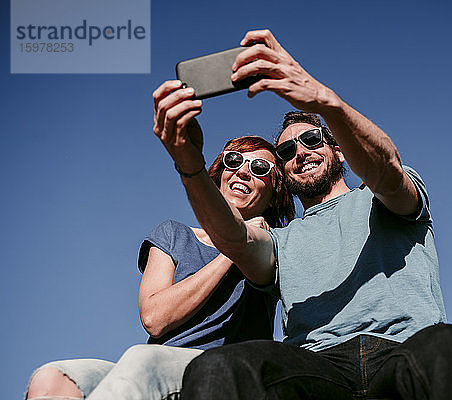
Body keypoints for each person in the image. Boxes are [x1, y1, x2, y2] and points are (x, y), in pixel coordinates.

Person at [153, 29, 452, 399]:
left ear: (339, 151)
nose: (300, 152)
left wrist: (325, 102)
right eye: (286, 152)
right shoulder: (281, 240)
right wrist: (190, 165)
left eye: (312, 140)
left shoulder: (379, 197)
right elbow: (235, 239)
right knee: (219, 366)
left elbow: (387, 170)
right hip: (316, 365)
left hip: (407, 348)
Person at [25, 135, 295, 400]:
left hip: (221, 370)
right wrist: (234, 247)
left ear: (274, 194)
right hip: (158, 365)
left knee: (143, 359)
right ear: (219, 175)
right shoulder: (174, 234)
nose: (243, 171)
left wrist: (250, 242)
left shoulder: (274, 248)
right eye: (233, 161)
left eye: (259, 168)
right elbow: (155, 319)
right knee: (53, 378)